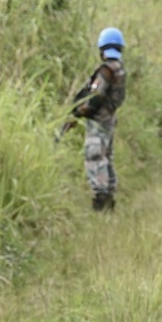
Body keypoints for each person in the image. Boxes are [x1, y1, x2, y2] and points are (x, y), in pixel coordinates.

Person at [72, 27, 127, 211]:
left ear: (102, 49)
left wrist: (80, 111)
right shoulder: (119, 69)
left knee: (95, 157)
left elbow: (95, 97)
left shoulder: (106, 71)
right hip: (109, 119)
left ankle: (101, 199)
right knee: (106, 157)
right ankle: (109, 196)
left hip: (99, 121)